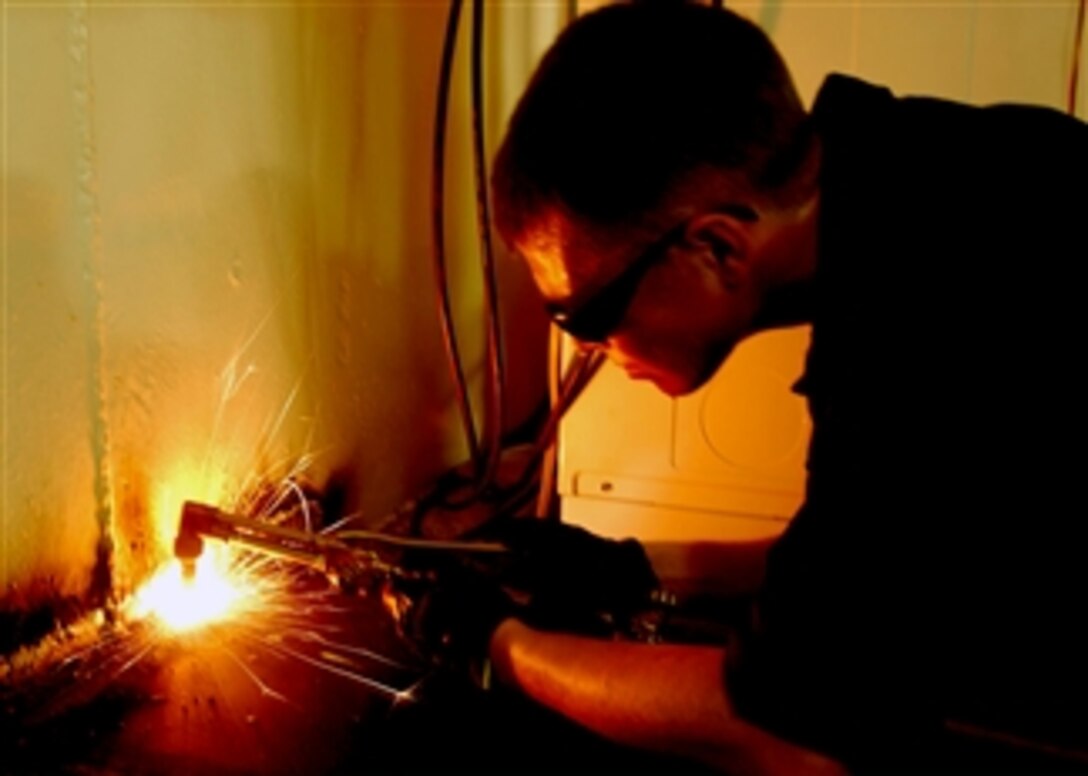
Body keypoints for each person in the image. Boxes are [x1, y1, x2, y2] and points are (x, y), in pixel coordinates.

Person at [390, 2, 1088, 773]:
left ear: (716, 245)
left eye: (586, 312)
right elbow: (872, 555)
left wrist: (500, 643)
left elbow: (796, 732)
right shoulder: (929, 171)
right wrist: (635, 565)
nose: (585, 346)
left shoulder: (914, 327)